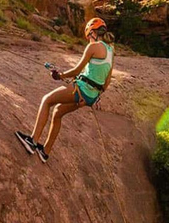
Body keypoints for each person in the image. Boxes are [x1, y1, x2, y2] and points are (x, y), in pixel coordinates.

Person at [16, 17, 115, 163]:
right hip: (90, 97)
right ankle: (45, 152)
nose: (88, 40)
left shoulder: (93, 47)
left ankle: (32, 141)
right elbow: (106, 84)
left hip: (80, 91)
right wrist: (90, 94)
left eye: (88, 37)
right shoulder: (111, 52)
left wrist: (60, 76)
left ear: (92, 33)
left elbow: (76, 70)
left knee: (47, 100)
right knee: (57, 113)